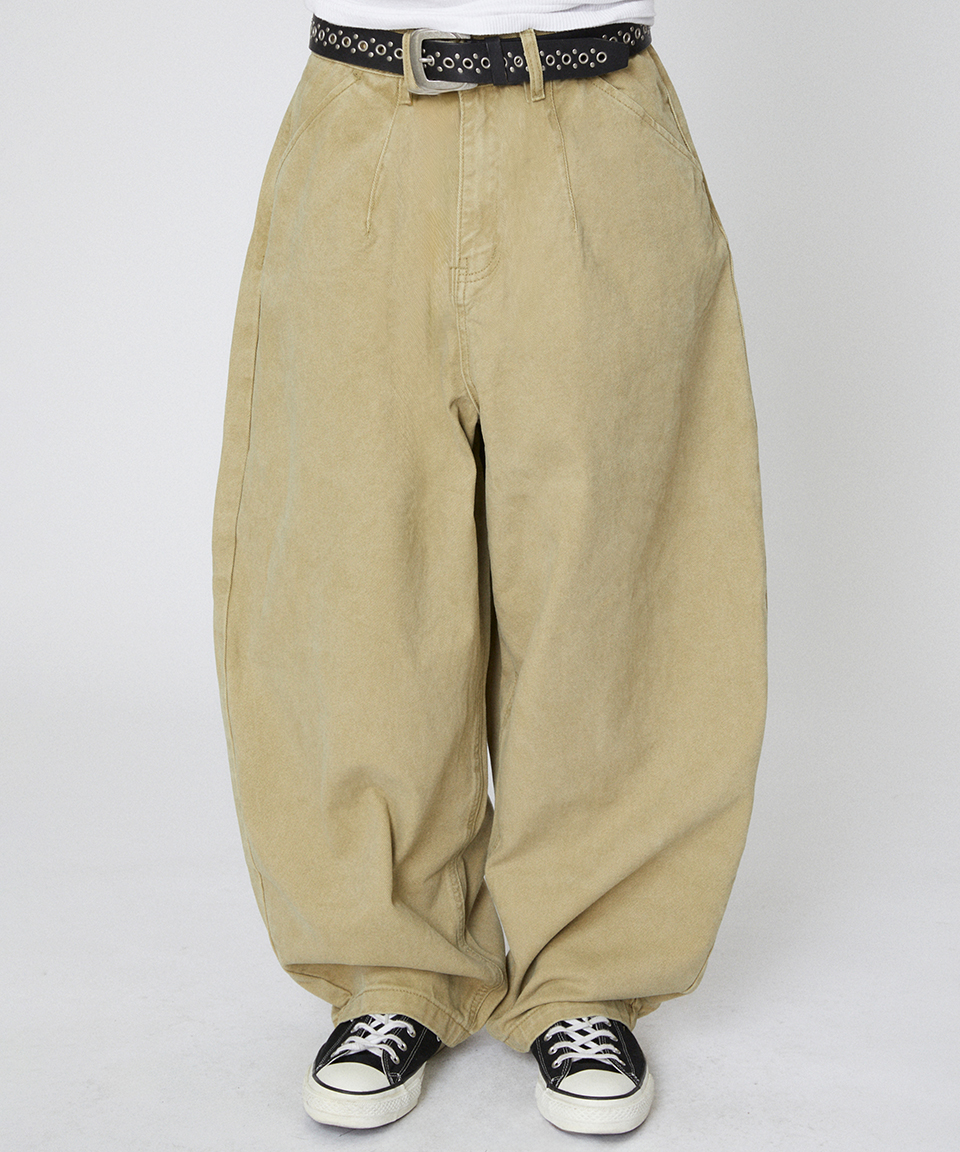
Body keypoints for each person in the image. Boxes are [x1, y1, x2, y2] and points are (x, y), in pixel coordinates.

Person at [212, 0, 767, 1136]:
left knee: (614, 568)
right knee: (353, 567)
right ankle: (390, 967)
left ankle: (590, 974)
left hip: (595, 113)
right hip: (365, 109)